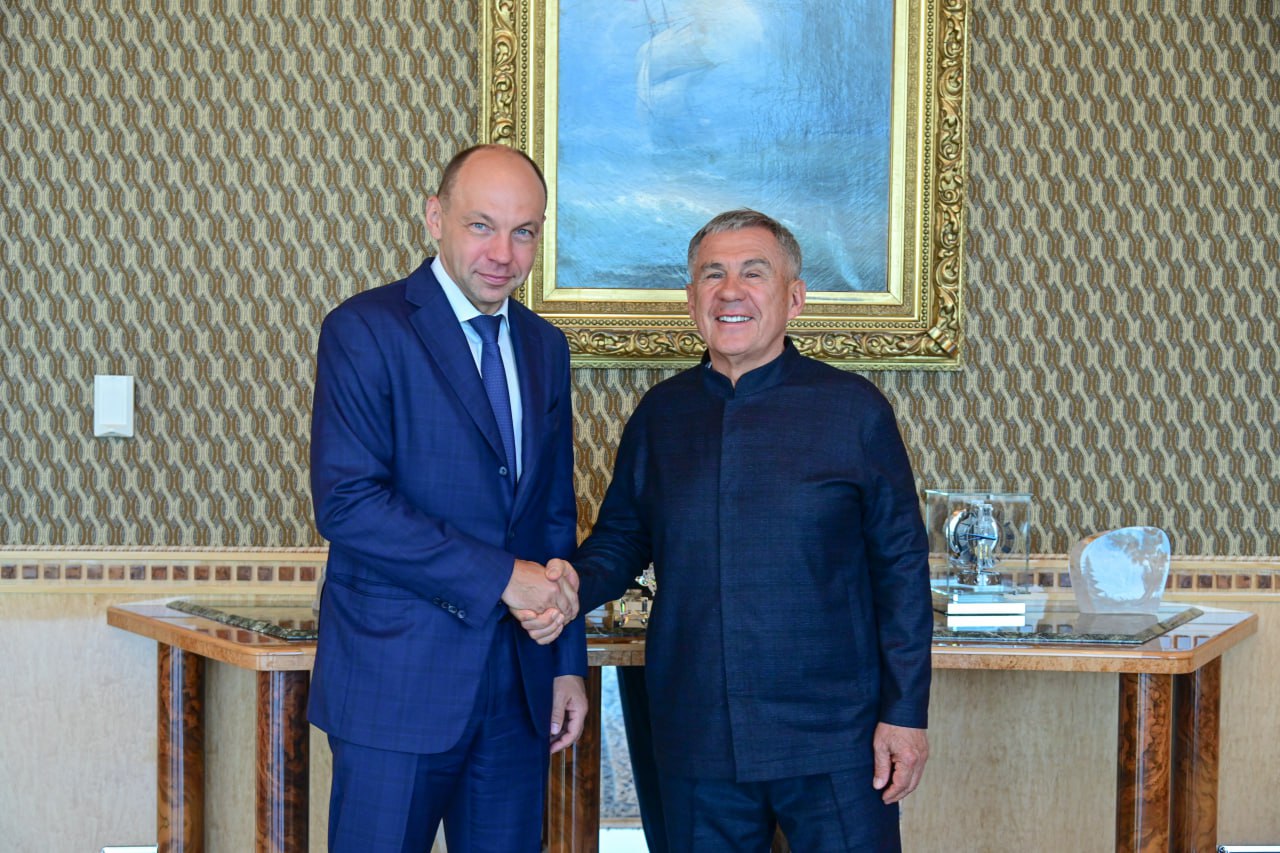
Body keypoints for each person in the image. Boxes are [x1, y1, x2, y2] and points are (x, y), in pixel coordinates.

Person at [525, 208, 932, 851]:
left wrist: (904, 715)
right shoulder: (660, 415)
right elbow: (623, 538)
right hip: (697, 729)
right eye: (713, 275)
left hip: (836, 734)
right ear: (692, 300)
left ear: (794, 298)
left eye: (753, 273)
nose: (730, 291)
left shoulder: (855, 411)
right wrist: (568, 582)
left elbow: (902, 570)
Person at [309, 143, 587, 853]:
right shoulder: (365, 329)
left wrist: (566, 664)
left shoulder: (545, 346)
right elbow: (348, 502)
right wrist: (503, 577)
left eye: (524, 232)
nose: (503, 253)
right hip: (395, 684)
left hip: (519, 690)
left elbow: (553, 516)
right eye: (481, 225)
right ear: (435, 217)